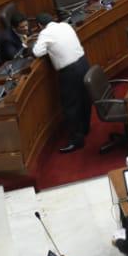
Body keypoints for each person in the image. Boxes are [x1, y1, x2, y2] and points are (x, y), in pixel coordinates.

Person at [31, 13, 90, 153]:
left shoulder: (45, 33)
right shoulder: (65, 25)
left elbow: (37, 52)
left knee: (70, 106)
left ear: (39, 26)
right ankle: (85, 128)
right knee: (84, 99)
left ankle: (76, 140)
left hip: (70, 71)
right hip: (84, 63)